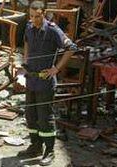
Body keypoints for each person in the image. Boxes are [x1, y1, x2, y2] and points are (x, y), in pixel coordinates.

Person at [17, 1, 77, 166]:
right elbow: (27, 42)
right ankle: (35, 145)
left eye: (37, 16)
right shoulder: (29, 27)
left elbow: (71, 47)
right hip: (31, 79)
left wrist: (56, 69)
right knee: (31, 115)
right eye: (31, 16)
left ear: (44, 13)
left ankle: (49, 151)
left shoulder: (52, 30)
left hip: (45, 82)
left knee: (45, 118)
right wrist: (25, 62)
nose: (34, 20)